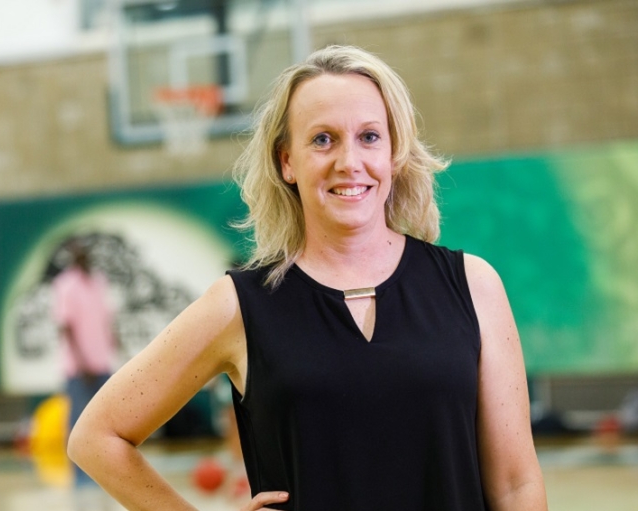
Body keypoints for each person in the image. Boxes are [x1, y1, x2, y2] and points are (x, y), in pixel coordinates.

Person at [68, 45, 547, 510]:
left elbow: (515, 485)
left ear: (394, 153)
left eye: (369, 136)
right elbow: (97, 437)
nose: (349, 162)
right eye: (322, 139)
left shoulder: (473, 286)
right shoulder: (240, 306)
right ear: (287, 162)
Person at [52, 239, 118, 490]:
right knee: (79, 423)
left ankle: (102, 476)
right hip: (78, 369)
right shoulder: (65, 285)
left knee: (106, 424)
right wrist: (82, 363)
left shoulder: (99, 281)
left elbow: (106, 319)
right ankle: (80, 478)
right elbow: (66, 327)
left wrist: (113, 349)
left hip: (102, 363)